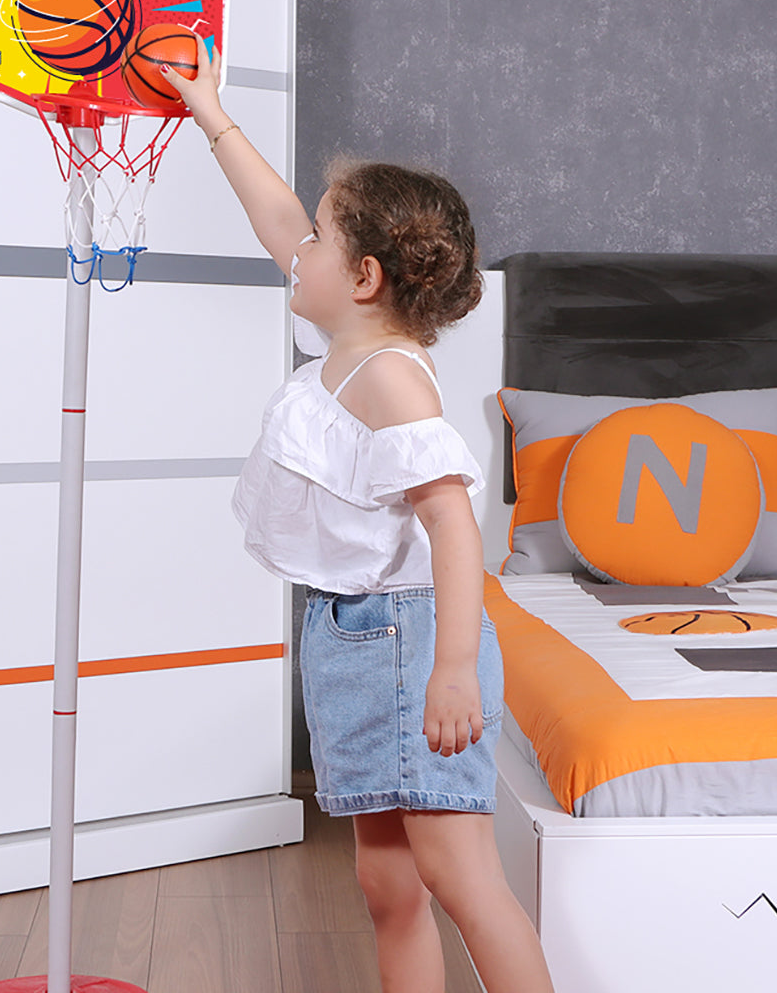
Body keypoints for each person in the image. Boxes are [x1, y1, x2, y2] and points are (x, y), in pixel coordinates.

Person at [161, 50, 555, 993]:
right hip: (347, 631)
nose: (300, 251)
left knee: (460, 875)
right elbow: (277, 220)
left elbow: (454, 528)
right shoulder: (341, 338)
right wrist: (212, 117)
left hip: (410, 638)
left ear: (366, 275)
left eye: (324, 242)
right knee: (387, 882)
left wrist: (453, 668)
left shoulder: (388, 377)